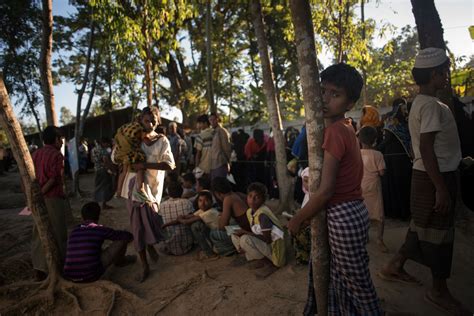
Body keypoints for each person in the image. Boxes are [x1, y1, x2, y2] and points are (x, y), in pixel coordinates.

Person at [287, 63, 382, 315]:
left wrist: (298, 218)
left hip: (343, 215)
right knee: (341, 277)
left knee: (356, 283)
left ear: (349, 103)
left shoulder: (335, 132)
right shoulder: (344, 127)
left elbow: (328, 190)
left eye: (335, 94)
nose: (326, 99)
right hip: (350, 212)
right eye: (323, 91)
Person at [380, 48, 470, 315]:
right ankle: (438, 291)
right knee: (439, 235)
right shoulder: (430, 105)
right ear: (434, 74)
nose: (447, 76)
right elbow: (427, 149)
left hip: (429, 175)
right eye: (445, 72)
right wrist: (441, 189)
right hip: (434, 177)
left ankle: (394, 266)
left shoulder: (424, 103)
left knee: (421, 226)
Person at [122, 106, 175, 282]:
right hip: (133, 187)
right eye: (147, 120)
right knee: (137, 225)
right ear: (140, 121)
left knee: (151, 220)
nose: (150, 123)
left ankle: (150, 244)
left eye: (154, 120)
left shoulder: (162, 141)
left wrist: (145, 166)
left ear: (158, 121)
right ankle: (144, 264)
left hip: (153, 188)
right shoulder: (133, 139)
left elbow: (169, 165)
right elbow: (119, 157)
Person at [31, 126, 71, 281]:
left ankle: (39, 269)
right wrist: (42, 194)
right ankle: (59, 269)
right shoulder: (56, 155)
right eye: (60, 139)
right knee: (59, 233)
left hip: (37, 199)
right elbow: (54, 179)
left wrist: (35, 197)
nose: (61, 142)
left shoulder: (36, 154)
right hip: (52, 198)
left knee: (38, 233)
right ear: (55, 140)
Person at [63, 202, 135, 282]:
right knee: (122, 238)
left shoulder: (74, 231)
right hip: (91, 276)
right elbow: (125, 236)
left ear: (82, 217)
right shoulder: (99, 229)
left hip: (70, 276)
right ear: (98, 216)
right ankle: (120, 261)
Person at [231, 182, 286, 279]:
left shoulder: (262, 215)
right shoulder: (249, 211)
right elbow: (256, 230)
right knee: (234, 235)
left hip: (274, 248)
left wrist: (245, 233)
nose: (252, 200)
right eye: (250, 196)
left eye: (257, 197)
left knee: (245, 239)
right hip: (265, 244)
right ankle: (258, 259)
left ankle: (269, 263)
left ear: (263, 200)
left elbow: (267, 240)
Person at [113, 107, 161, 201]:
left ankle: (118, 191)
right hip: (130, 153)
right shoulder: (141, 130)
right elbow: (148, 142)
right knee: (141, 166)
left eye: (152, 122)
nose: (150, 125)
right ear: (140, 120)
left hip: (122, 152)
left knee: (124, 171)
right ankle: (140, 188)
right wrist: (157, 137)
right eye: (147, 121)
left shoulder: (128, 126)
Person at [378, 98, 412, 220]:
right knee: (404, 184)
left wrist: (375, 149)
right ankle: (405, 212)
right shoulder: (408, 118)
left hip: (392, 158)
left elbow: (387, 140)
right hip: (405, 157)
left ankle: (396, 213)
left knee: (394, 185)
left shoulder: (391, 119)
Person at [164, 190, 220, 261]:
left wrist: (180, 218)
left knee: (195, 226)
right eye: (200, 200)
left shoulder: (210, 212)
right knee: (196, 224)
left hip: (218, 236)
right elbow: (186, 217)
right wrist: (166, 224)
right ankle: (209, 249)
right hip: (213, 236)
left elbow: (186, 221)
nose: (203, 203)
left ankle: (210, 254)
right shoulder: (202, 211)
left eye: (206, 201)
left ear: (211, 202)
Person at [359, 126, 388, 253]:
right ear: (375, 140)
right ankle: (379, 240)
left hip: (360, 187)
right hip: (374, 188)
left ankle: (364, 237)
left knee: (362, 213)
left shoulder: (357, 153)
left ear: (360, 140)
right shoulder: (378, 154)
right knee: (379, 214)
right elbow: (382, 172)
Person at [159, 181, 194, 256]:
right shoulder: (187, 202)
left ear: (168, 193)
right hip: (188, 244)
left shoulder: (162, 205)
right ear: (181, 191)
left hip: (170, 246)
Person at [291, 167, 311, 265]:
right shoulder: (307, 195)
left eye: (311, 181)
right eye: (305, 181)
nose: (308, 184)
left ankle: (306, 258)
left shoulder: (317, 197)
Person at [91, 137, 115, 210]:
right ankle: (103, 204)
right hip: (103, 170)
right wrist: (111, 169)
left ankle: (95, 203)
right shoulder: (103, 150)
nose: (108, 145)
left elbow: (91, 159)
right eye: (107, 144)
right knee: (105, 187)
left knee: (97, 186)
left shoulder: (94, 149)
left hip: (96, 169)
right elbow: (106, 161)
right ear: (104, 143)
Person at [209, 112, 232, 180]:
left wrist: (227, 162)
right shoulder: (212, 132)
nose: (212, 122)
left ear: (217, 120)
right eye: (210, 120)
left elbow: (226, 148)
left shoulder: (222, 131)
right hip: (213, 164)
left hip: (220, 163)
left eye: (214, 120)